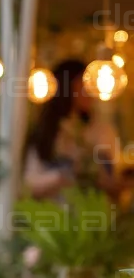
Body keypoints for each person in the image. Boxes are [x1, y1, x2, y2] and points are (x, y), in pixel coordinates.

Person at [23, 59, 132, 201]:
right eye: (83, 83)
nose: (89, 89)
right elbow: (29, 184)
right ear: (67, 87)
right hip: (53, 214)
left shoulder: (102, 131)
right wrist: (63, 175)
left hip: (92, 213)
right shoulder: (46, 133)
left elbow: (112, 181)